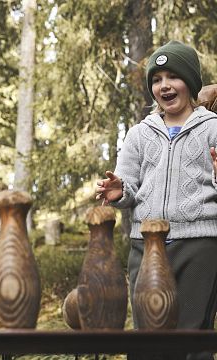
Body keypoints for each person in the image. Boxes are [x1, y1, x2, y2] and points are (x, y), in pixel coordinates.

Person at [96, 40, 217, 360]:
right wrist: (120, 192)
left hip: (200, 242)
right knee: (147, 337)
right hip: (145, 244)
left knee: (193, 337)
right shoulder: (138, 134)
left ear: (190, 82)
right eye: (156, 79)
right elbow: (129, 188)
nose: (164, 86)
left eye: (173, 76)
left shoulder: (213, 129)